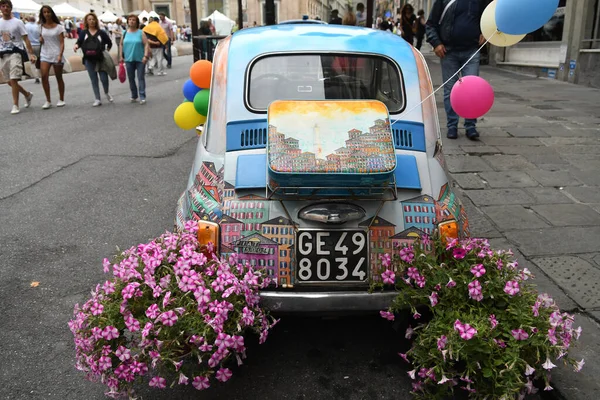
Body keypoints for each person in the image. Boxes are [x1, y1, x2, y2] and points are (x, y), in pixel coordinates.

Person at [427, 0, 489, 140]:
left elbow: (488, 17)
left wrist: (486, 31)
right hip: (448, 51)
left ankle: (470, 126)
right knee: (450, 90)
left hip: (472, 50)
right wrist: (436, 43)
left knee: (473, 89)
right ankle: (452, 126)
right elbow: (431, 24)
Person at [0, 0, 37, 114]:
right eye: (3, 6)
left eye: (7, 6)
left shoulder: (18, 22)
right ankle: (27, 94)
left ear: (11, 8)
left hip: (16, 52)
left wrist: (31, 54)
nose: (5, 8)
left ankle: (15, 105)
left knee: (13, 78)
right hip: (3, 53)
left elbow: (26, 39)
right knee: (9, 81)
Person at [74, 12, 113, 106]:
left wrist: (106, 52)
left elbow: (109, 43)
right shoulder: (83, 32)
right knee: (93, 79)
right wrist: (76, 46)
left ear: (96, 21)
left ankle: (106, 92)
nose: (91, 21)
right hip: (88, 59)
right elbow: (79, 42)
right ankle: (97, 98)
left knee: (104, 78)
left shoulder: (101, 32)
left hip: (101, 59)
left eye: (93, 19)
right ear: (86, 21)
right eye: (89, 19)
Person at [38, 5, 66, 109]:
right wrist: (40, 39)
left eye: (48, 12)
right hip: (45, 54)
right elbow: (41, 37)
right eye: (44, 12)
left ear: (51, 13)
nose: (46, 14)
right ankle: (48, 100)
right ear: (42, 14)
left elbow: (62, 42)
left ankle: (61, 99)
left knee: (59, 77)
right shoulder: (41, 26)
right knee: (44, 76)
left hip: (56, 54)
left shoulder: (59, 27)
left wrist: (60, 54)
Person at [120, 14, 149, 104]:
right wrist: (121, 56)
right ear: (128, 21)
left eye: (133, 20)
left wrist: (145, 56)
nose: (131, 21)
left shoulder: (141, 32)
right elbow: (121, 44)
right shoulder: (125, 33)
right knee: (131, 78)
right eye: (130, 20)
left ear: (136, 22)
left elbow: (146, 44)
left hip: (140, 59)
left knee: (140, 77)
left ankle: (142, 95)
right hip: (128, 59)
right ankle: (134, 95)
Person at [24, 15, 40, 83]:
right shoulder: (38, 26)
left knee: (32, 62)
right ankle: (41, 74)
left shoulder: (25, 26)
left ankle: (36, 77)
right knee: (39, 61)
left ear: (28, 20)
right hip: (38, 45)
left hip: (29, 45)